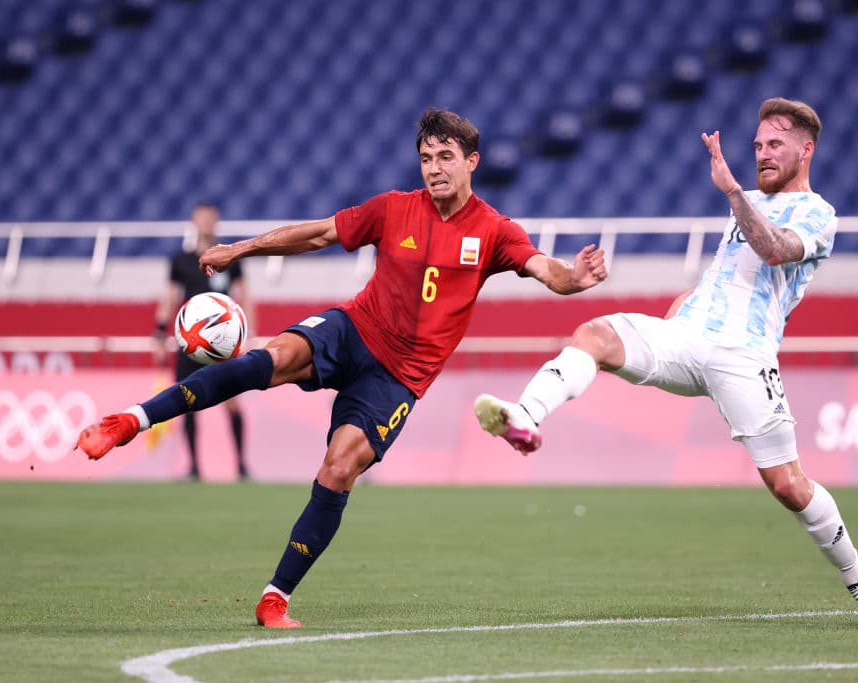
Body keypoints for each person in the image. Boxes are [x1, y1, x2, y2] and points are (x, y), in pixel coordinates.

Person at [76, 108, 608, 628]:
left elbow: (547, 270)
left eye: (446, 156)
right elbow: (317, 234)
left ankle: (274, 598)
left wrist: (575, 277)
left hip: (399, 377)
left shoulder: (493, 230)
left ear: (472, 161)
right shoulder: (394, 208)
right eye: (426, 157)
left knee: (339, 467)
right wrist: (241, 249)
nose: (434, 167)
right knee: (270, 359)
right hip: (354, 329)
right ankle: (130, 421)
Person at [474, 98, 858, 629]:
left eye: (775, 145)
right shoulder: (744, 199)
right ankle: (526, 418)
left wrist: (730, 192)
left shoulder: (818, 214)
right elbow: (727, 273)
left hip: (745, 357)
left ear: (805, 149)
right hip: (687, 336)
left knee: (789, 486)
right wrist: (681, 310)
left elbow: (772, 251)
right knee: (596, 334)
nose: (763, 155)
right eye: (757, 146)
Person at [154, 202, 254, 481]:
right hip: (190, 343)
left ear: (217, 222)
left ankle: (242, 466)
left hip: (222, 343)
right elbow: (170, 295)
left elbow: (245, 294)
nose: (206, 222)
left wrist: (248, 333)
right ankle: (194, 467)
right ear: (194, 222)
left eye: (211, 218)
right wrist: (160, 331)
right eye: (202, 218)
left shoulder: (228, 257)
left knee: (231, 402)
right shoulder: (180, 260)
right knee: (186, 401)